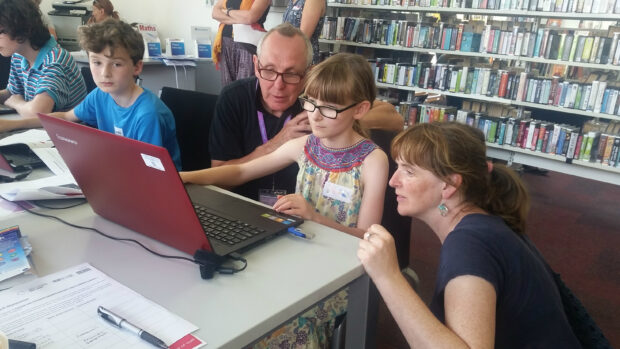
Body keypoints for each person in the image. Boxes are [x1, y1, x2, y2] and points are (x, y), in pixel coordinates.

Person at [357, 122, 581, 348]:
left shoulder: (469, 246)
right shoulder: (484, 225)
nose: (393, 181)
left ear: (449, 184)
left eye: (409, 171)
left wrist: (389, 277)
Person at [182, 52, 388, 238]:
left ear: (359, 110)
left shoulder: (373, 161)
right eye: (311, 102)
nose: (314, 116)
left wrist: (314, 217)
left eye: (329, 108)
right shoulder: (305, 146)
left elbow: (366, 237)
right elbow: (240, 172)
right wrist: (184, 178)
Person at [208, 22, 402, 203]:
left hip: (304, 213)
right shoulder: (234, 97)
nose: (278, 85)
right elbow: (220, 177)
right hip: (246, 207)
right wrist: (277, 143)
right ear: (256, 65)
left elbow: (393, 118)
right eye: (269, 70)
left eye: (291, 74)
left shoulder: (315, 99)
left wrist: (337, 118)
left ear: (308, 73)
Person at [0, 19, 181, 170]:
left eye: (116, 64)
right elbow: (65, 116)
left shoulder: (147, 115)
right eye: (96, 62)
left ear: (137, 67)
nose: (104, 73)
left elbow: (151, 173)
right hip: (118, 172)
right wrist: (12, 125)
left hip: (151, 186)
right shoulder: (100, 96)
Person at [0, 0, 86, 121]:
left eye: (1, 32)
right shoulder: (18, 56)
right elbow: (12, 93)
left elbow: (38, 113)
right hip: (40, 131)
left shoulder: (55, 60)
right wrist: (12, 99)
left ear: (23, 29)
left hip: (67, 134)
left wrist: (16, 103)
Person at [211, 0, 270, 85]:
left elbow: (250, 17)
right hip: (225, 42)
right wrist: (239, 19)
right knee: (227, 86)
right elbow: (215, 13)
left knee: (244, 86)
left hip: (248, 45)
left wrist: (227, 11)